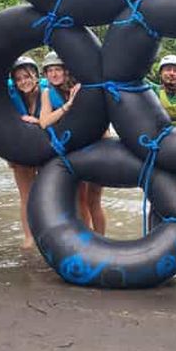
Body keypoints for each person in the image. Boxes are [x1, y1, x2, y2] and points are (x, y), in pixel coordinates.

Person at [39, 51, 106, 234]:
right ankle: (89, 240)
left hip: (92, 146)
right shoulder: (46, 92)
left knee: (94, 200)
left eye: (57, 70)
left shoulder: (81, 88)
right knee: (80, 200)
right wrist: (66, 106)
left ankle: (102, 239)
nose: (53, 74)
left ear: (66, 71)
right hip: (72, 150)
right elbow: (45, 121)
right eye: (49, 70)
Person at [7, 55, 45, 249]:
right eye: (19, 78)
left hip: (46, 149)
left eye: (27, 76)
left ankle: (47, 233)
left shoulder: (48, 92)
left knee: (47, 193)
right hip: (22, 149)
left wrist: (38, 121)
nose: (23, 82)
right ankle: (29, 237)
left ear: (36, 76)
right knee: (26, 196)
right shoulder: (11, 94)